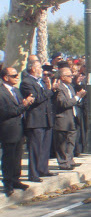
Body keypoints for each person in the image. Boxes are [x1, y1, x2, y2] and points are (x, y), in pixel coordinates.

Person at [0, 67, 35, 196]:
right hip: (8, 129)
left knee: (17, 155)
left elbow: (21, 106)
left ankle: (16, 179)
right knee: (8, 157)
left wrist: (26, 103)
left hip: (19, 128)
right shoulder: (2, 92)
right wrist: (24, 105)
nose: (16, 78)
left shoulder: (16, 90)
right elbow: (6, 112)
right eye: (14, 76)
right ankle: (8, 182)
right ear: (5, 77)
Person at [20, 60, 57, 182]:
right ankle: (33, 173)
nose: (41, 70)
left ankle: (43, 169)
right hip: (35, 119)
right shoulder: (26, 82)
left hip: (46, 118)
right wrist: (50, 90)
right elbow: (36, 99)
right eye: (39, 67)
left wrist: (49, 89)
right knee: (35, 147)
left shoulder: (40, 81)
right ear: (32, 69)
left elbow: (45, 97)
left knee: (45, 147)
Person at [53, 67, 87, 170]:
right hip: (63, 119)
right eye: (69, 76)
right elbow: (63, 103)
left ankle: (70, 160)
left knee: (71, 141)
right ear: (62, 77)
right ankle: (63, 162)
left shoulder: (70, 87)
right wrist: (77, 97)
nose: (71, 77)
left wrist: (80, 97)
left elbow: (75, 101)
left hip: (72, 118)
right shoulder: (59, 88)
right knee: (62, 143)